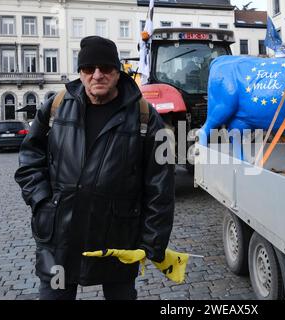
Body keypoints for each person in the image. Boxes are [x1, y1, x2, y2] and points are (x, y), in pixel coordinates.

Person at [14, 36, 175, 300]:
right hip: (60, 238)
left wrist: (152, 243)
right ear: (81, 72)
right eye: (89, 69)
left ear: (118, 71)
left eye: (106, 68)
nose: (97, 75)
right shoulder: (56, 107)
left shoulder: (145, 116)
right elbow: (29, 156)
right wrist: (42, 201)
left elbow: (161, 185)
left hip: (119, 240)